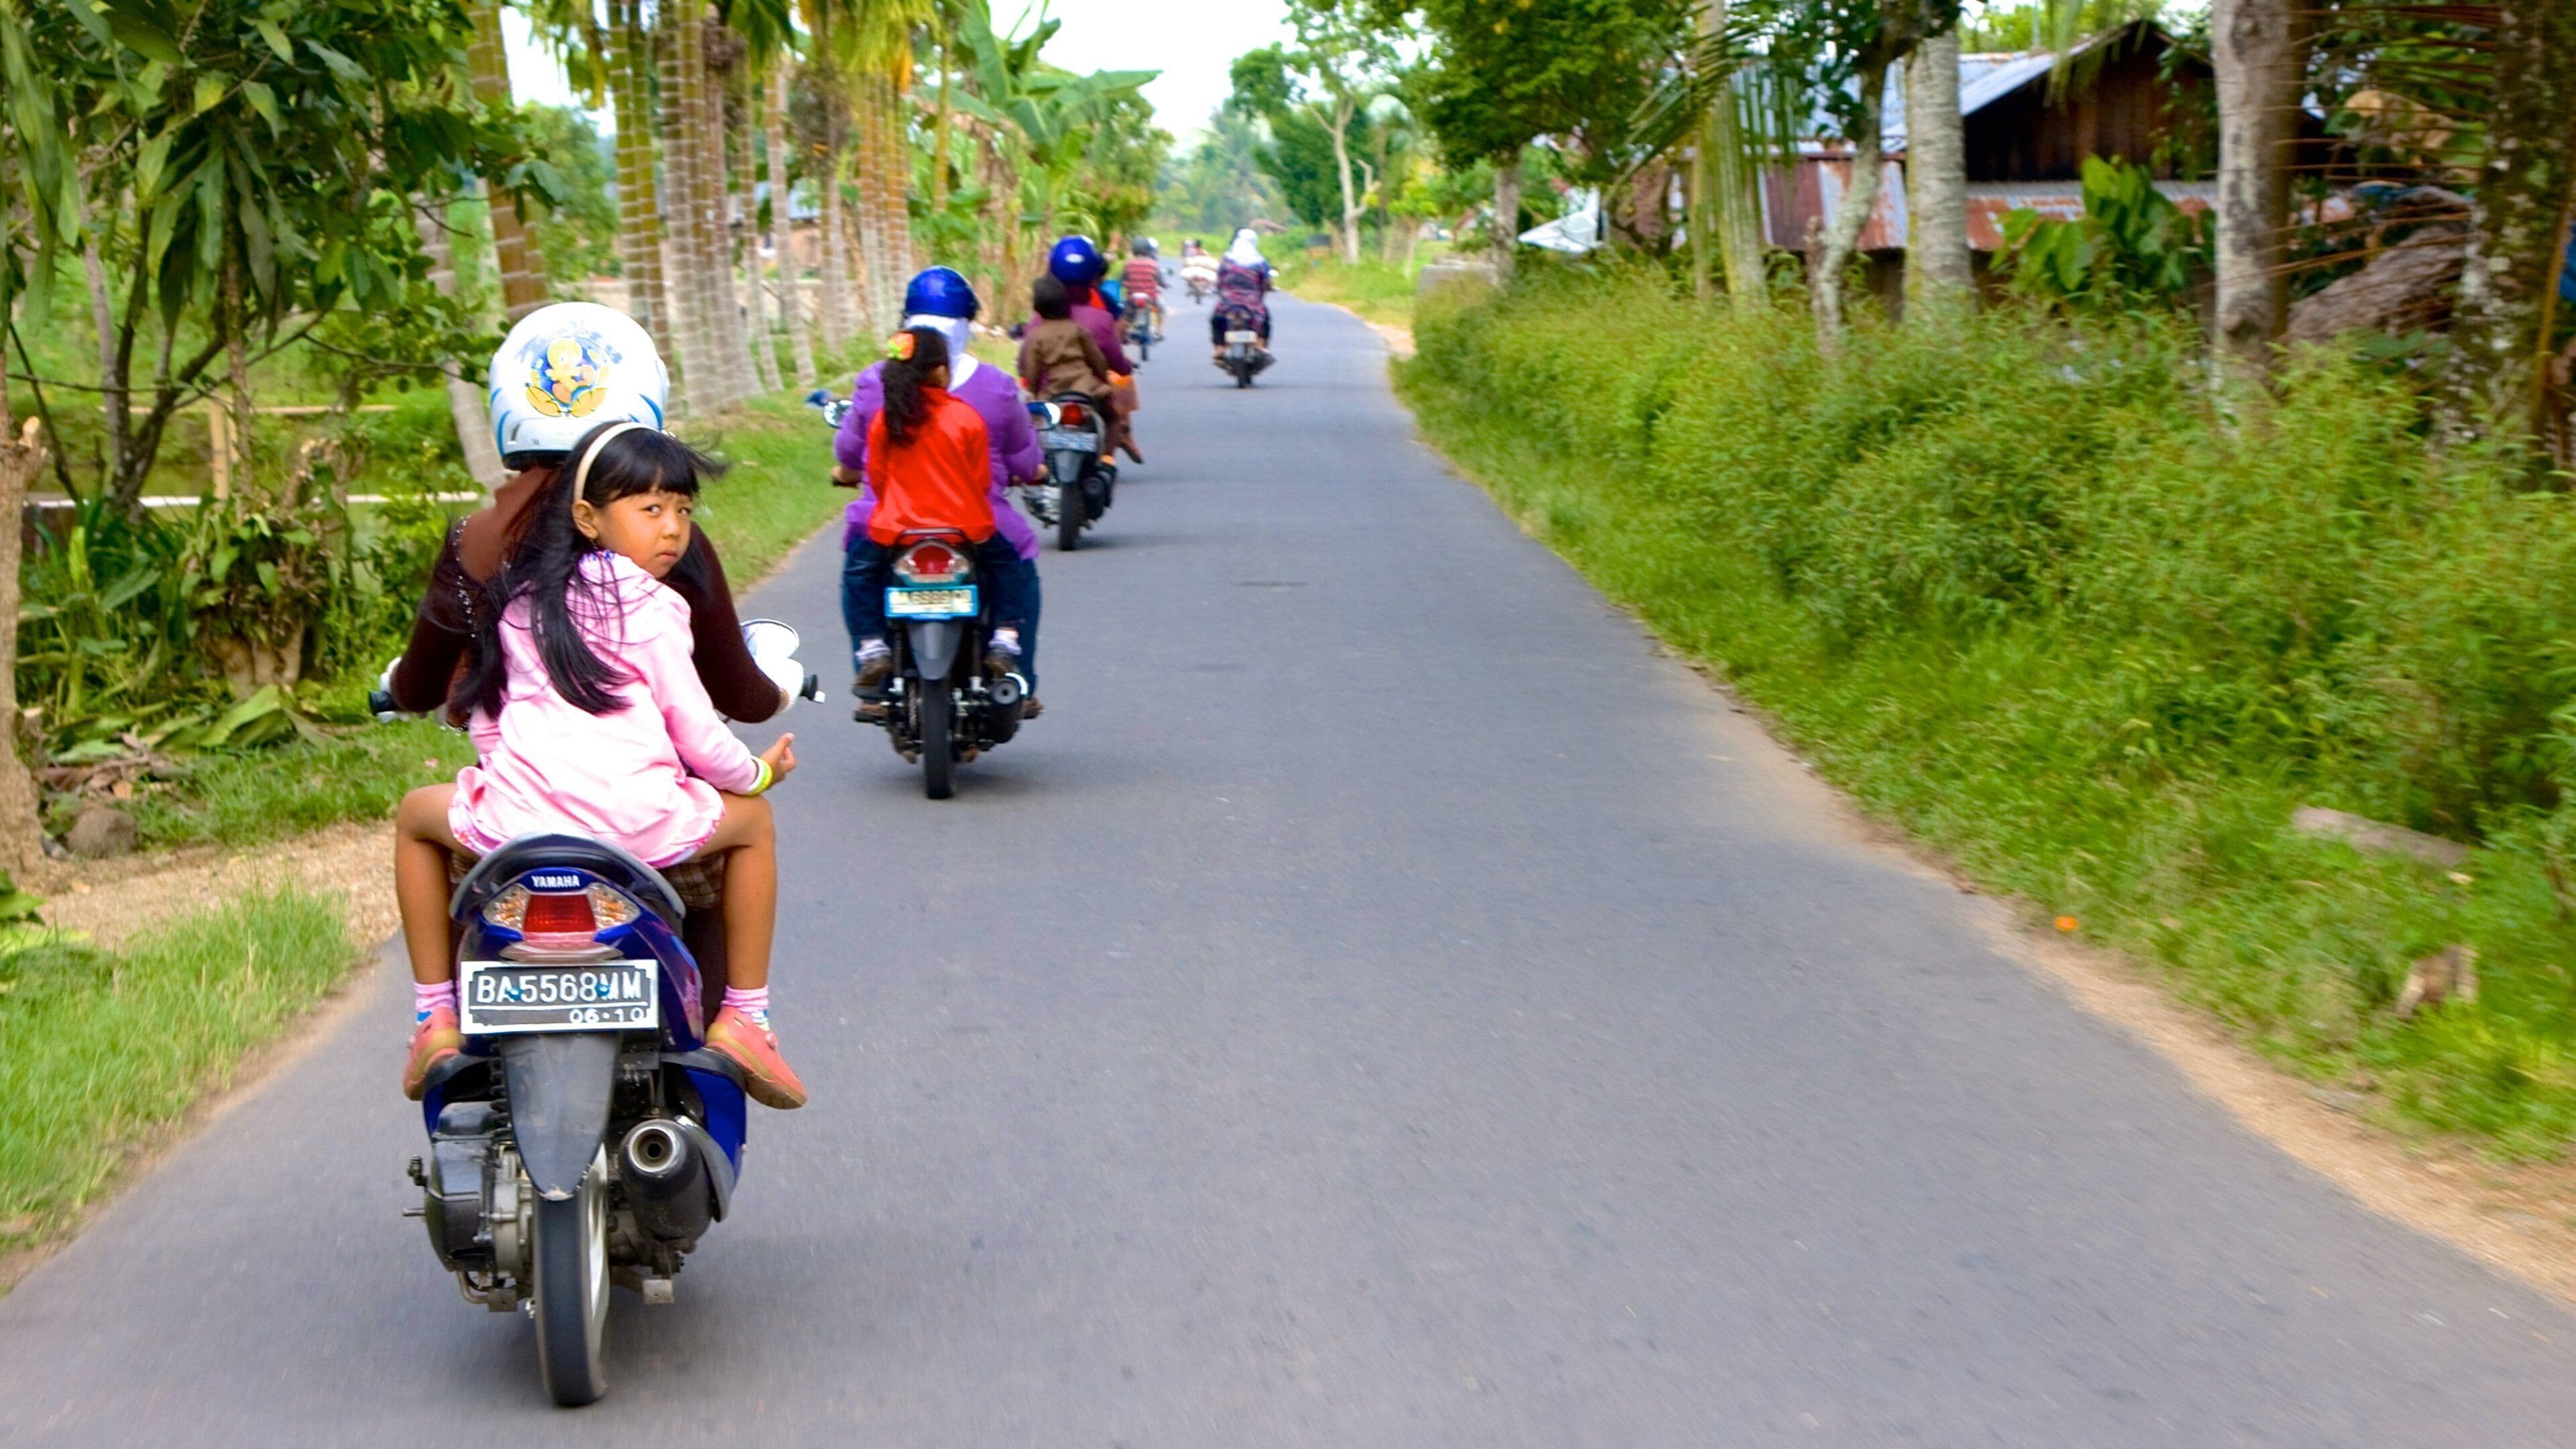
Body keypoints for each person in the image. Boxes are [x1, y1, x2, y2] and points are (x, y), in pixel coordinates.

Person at [394, 422, 808, 1111]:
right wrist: (759, 775)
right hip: (636, 830)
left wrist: (509, 781)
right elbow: (701, 740)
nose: (673, 528)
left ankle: (434, 1014)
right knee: (754, 825)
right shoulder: (657, 608)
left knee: (415, 815)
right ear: (587, 517)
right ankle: (747, 1017)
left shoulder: (521, 601)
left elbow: (489, 718)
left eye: (683, 509)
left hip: (516, 829)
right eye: (651, 510)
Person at [389, 303, 787, 727]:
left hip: (514, 781)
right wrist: (781, 686)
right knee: (752, 796)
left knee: (424, 799)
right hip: (649, 779)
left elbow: (417, 691)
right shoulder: (663, 533)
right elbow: (742, 696)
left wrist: (397, 681)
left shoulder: (473, 538)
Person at [833, 267, 1049, 715]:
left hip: (891, 523)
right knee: (1016, 568)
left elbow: (867, 464)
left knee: (859, 573)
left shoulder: (877, 393)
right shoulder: (987, 395)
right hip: (970, 521)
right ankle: (1012, 661)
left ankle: (873, 655)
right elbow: (1005, 469)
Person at [1018, 275, 1136, 464]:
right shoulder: (1077, 330)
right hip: (1085, 388)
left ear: (1037, 308)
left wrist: (1032, 390)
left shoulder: (1035, 336)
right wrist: (1104, 377)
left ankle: (1041, 464)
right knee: (1113, 418)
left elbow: (1031, 368)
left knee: (1035, 424)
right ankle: (1107, 460)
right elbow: (1096, 358)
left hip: (1053, 391)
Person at [1048, 234, 1143, 464]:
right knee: (1117, 401)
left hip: (1050, 387)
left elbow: (1026, 356)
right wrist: (1122, 364)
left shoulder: (1043, 310)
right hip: (1092, 383)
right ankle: (1114, 451)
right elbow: (1115, 339)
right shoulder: (1102, 309)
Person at [1212, 227, 1275, 360]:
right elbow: (1266, 282)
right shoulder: (1259, 262)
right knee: (1265, 318)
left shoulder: (1227, 259)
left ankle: (1220, 348)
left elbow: (1219, 279)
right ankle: (1260, 345)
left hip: (1228, 302)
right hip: (1252, 303)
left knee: (1216, 318)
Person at [1120, 237, 1166, 341]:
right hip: (1150, 298)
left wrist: (1125, 284)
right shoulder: (1153, 264)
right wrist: (1164, 285)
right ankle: (1159, 331)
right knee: (1162, 309)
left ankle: (1125, 333)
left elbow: (1121, 280)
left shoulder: (1128, 264)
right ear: (1147, 249)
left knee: (1123, 314)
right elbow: (1161, 281)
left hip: (1132, 298)